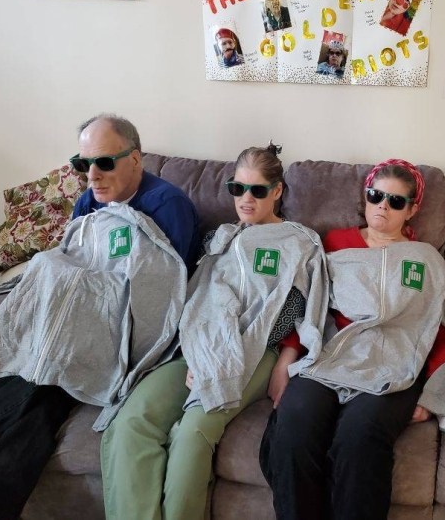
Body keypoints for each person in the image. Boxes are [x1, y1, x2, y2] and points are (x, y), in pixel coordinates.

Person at [0, 114, 199, 520]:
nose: (92, 175)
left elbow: (164, 287)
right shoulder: (90, 200)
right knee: (26, 375)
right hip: (69, 320)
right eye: (82, 163)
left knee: (47, 385)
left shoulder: (167, 205)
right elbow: (70, 258)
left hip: (117, 330)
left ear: (136, 159)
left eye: (104, 162)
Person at [101, 145, 328, 520]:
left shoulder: (299, 243)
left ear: (278, 191)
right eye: (237, 188)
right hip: (194, 347)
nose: (246, 199)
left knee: (191, 434)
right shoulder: (219, 239)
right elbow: (194, 299)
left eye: (257, 190)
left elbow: (300, 312)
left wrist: (279, 360)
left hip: (254, 351)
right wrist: (203, 349)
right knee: (130, 422)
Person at [260, 159, 445, 520]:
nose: (383, 207)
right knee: (293, 426)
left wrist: (433, 394)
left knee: (359, 439)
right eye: (376, 196)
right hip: (330, 359)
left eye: (396, 201)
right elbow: (310, 306)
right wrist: (286, 360)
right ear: (366, 196)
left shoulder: (425, 260)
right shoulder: (335, 243)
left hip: (394, 367)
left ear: (412, 209)